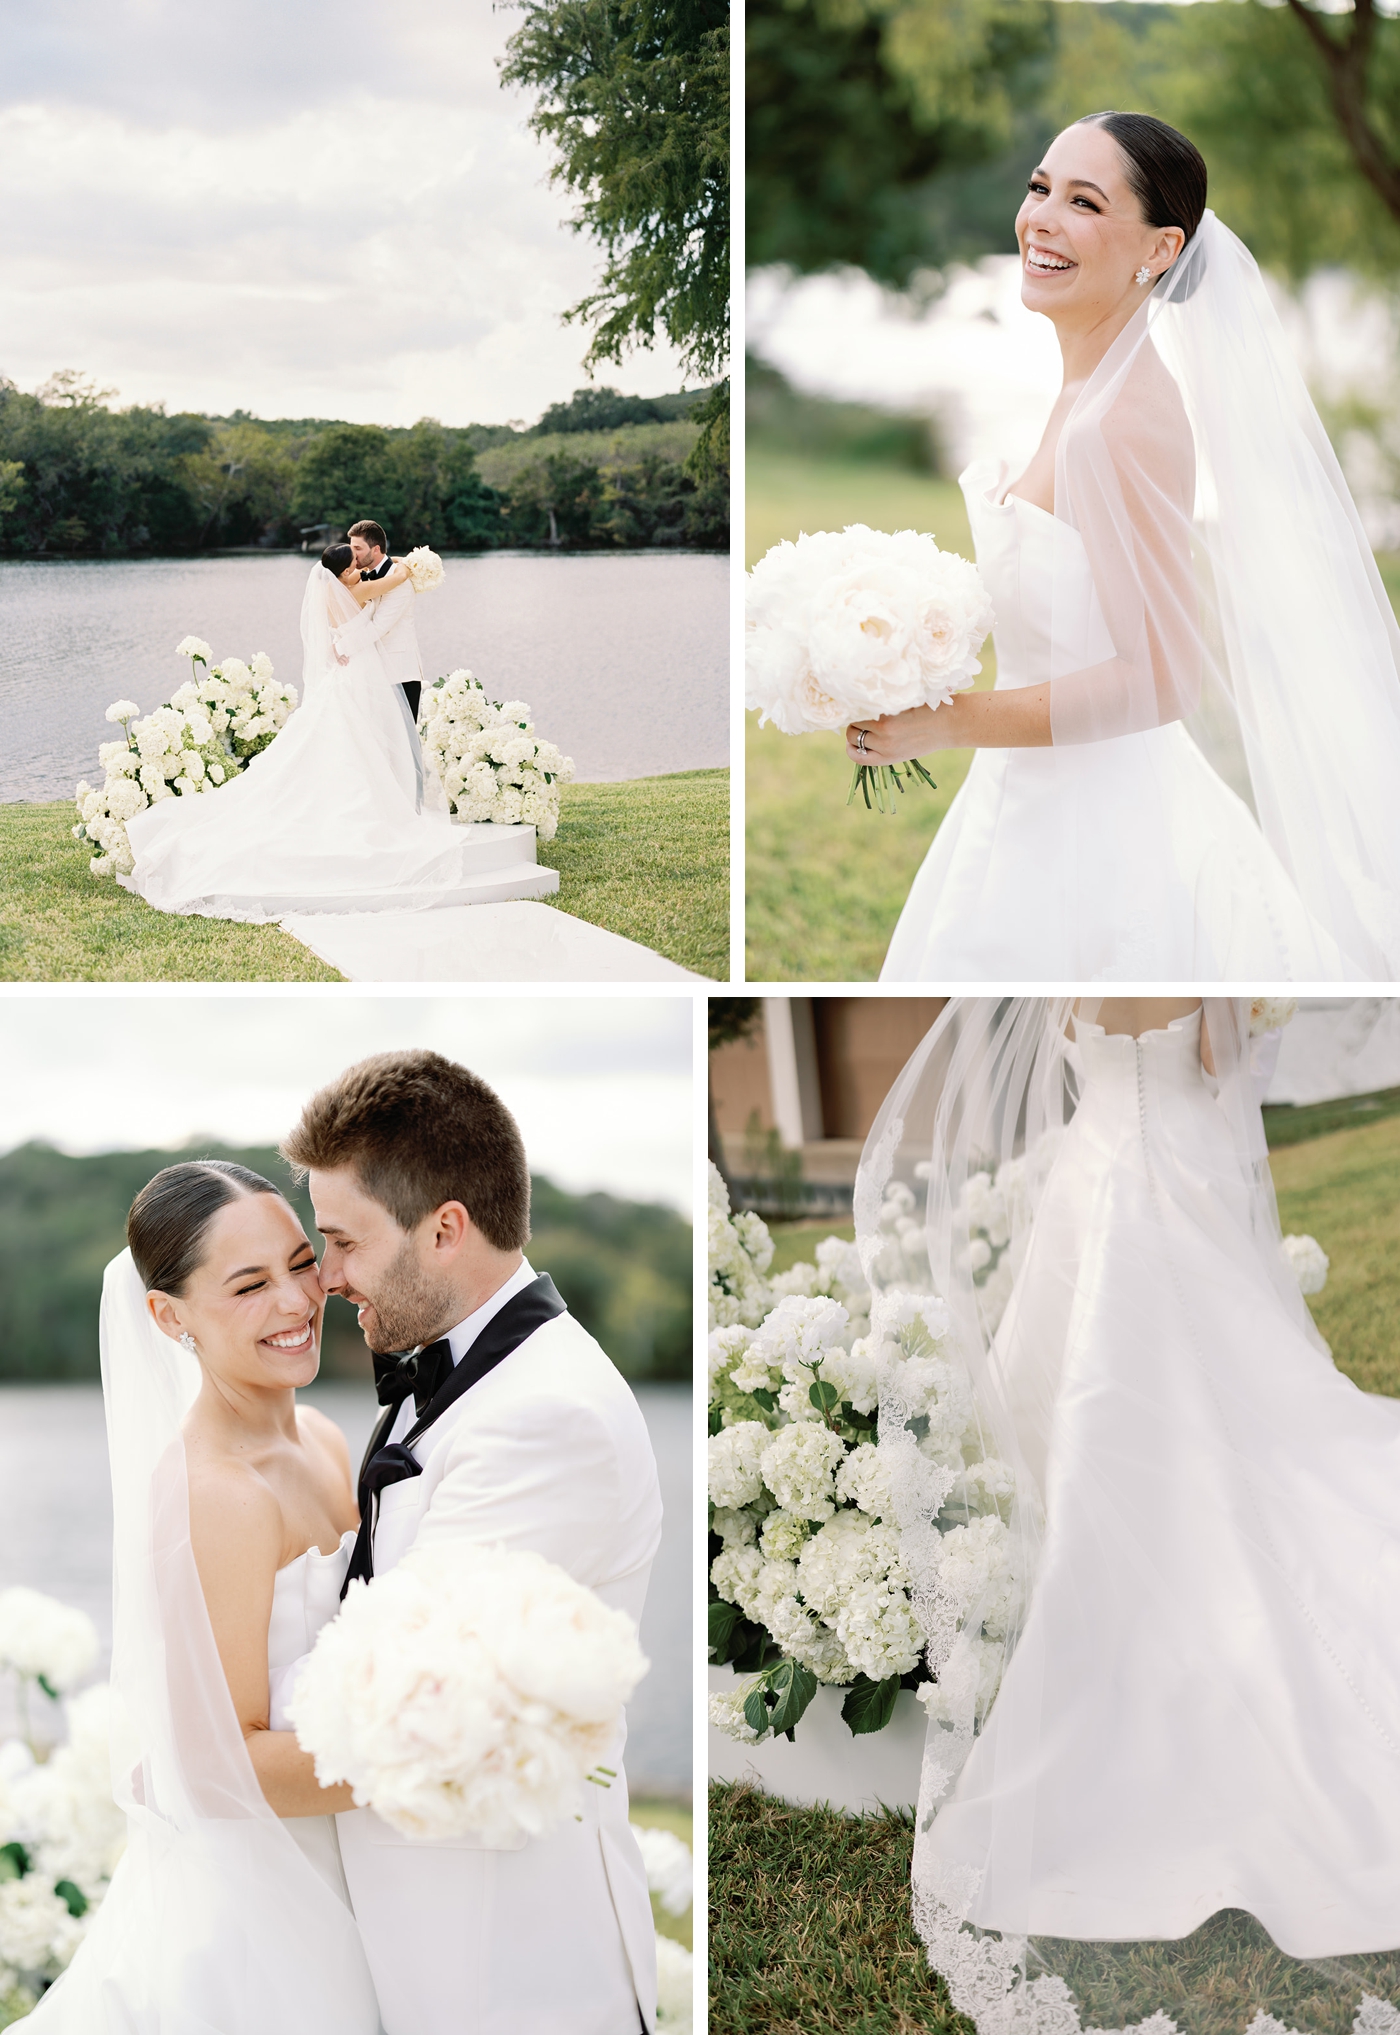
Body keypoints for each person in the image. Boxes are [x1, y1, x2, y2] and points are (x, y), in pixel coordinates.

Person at [857, 997, 1400, 2031]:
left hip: (1089, 1166)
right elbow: (1219, 1066)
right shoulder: (1196, 935)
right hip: (1178, 1165)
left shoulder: (1068, 955)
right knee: (1212, 1402)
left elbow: (1068, 1055)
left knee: (1091, 1397)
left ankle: (1086, 1556)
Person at [848, 113, 1400, 980]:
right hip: (1044, 791)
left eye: (1085, 202)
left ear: (1159, 248)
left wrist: (946, 723)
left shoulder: (1116, 423)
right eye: (1039, 189)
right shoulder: (1092, 392)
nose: (1041, 219)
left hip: (1097, 826)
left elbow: (1164, 675)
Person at [280, 1048, 664, 2035]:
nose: (324, 1279)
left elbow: (411, 1711)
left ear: (444, 1227)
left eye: (342, 1242)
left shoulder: (545, 1418)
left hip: (515, 1965)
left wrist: (205, 1765)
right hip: (430, 1941)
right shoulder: (463, 1378)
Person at [28, 1160, 383, 2031]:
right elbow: (218, 1767)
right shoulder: (214, 1494)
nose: (297, 1302)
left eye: (302, 1262)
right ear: (168, 1316)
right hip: (259, 1915)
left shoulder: (329, 1440)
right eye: (249, 1285)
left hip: (351, 1867)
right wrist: (444, 1750)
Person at [119, 543, 553, 921]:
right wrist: (410, 562)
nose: (359, 568)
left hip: (346, 677)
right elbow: (396, 577)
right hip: (350, 678)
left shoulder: (339, 587)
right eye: (352, 565)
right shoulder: (354, 589)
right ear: (341, 573)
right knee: (349, 742)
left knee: (339, 743)